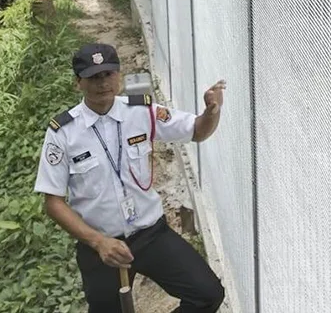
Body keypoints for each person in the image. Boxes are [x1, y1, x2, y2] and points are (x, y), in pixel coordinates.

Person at [34, 42, 227, 313]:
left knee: (207, 294)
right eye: (94, 77)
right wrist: (98, 242)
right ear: (78, 82)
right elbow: (53, 202)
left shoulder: (142, 111)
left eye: (109, 74)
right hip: (101, 248)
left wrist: (211, 112)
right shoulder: (63, 132)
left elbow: (196, 131)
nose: (103, 83)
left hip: (151, 235)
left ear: (119, 75)